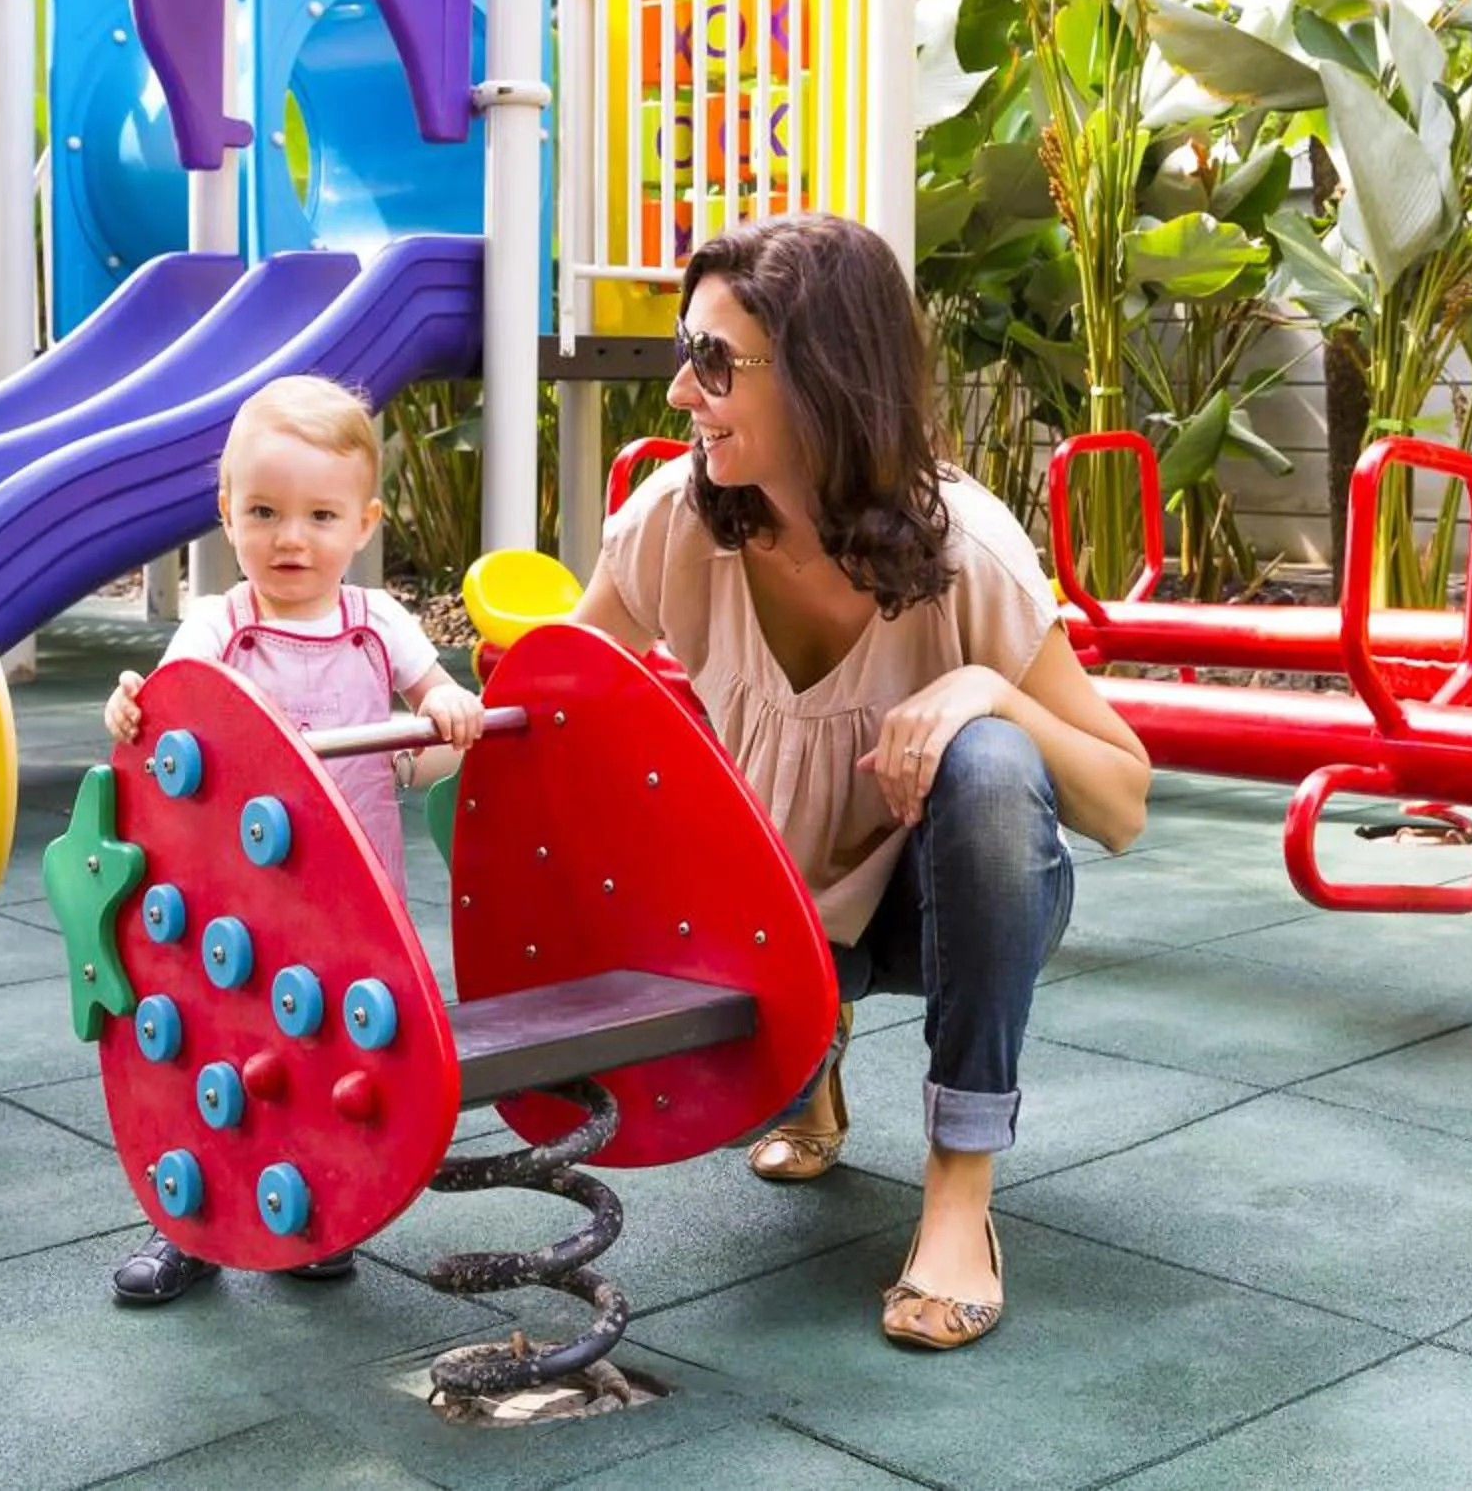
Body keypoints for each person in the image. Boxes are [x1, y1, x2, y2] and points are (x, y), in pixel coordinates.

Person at [573, 213, 1150, 1351]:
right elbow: (562, 698)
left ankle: (958, 1199)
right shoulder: (676, 525)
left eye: (715, 364)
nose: (684, 396)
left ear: (827, 380)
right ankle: (807, 1051)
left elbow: (1123, 799)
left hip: (932, 912)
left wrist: (991, 690)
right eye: (686, 357)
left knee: (990, 766)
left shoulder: (963, 553)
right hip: (763, 916)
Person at [99, 373, 486, 1305]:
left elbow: (431, 691)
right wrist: (125, 712)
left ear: (363, 523)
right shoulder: (216, 630)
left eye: (320, 515)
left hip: (349, 904)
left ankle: (312, 1215)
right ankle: (186, 1220)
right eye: (265, 511)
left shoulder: (375, 625)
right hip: (236, 910)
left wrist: (446, 703)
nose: (291, 538)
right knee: (217, 1052)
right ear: (227, 513)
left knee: (330, 1062)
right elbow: (163, 734)